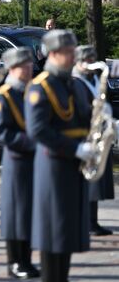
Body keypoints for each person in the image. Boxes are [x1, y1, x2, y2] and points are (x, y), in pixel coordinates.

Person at [25, 29, 92, 282]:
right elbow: (38, 130)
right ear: (53, 54)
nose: (73, 56)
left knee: (67, 231)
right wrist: (75, 148)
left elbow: (85, 117)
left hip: (74, 164)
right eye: (68, 52)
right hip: (53, 164)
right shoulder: (40, 87)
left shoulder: (73, 83)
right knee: (54, 230)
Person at [0, 47, 40, 279]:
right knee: (17, 213)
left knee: (30, 212)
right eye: (23, 66)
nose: (29, 69)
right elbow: (0, 132)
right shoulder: (3, 96)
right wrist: (33, 143)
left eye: (30, 65)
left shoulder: (31, 92)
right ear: (12, 68)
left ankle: (27, 259)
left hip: (34, 161)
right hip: (17, 160)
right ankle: (15, 262)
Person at [72, 45, 114, 236]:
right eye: (86, 60)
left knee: (96, 178)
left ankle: (92, 220)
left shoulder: (95, 78)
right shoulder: (74, 81)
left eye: (91, 60)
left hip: (97, 132)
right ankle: (86, 221)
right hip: (83, 134)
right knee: (86, 180)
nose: (89, 64)